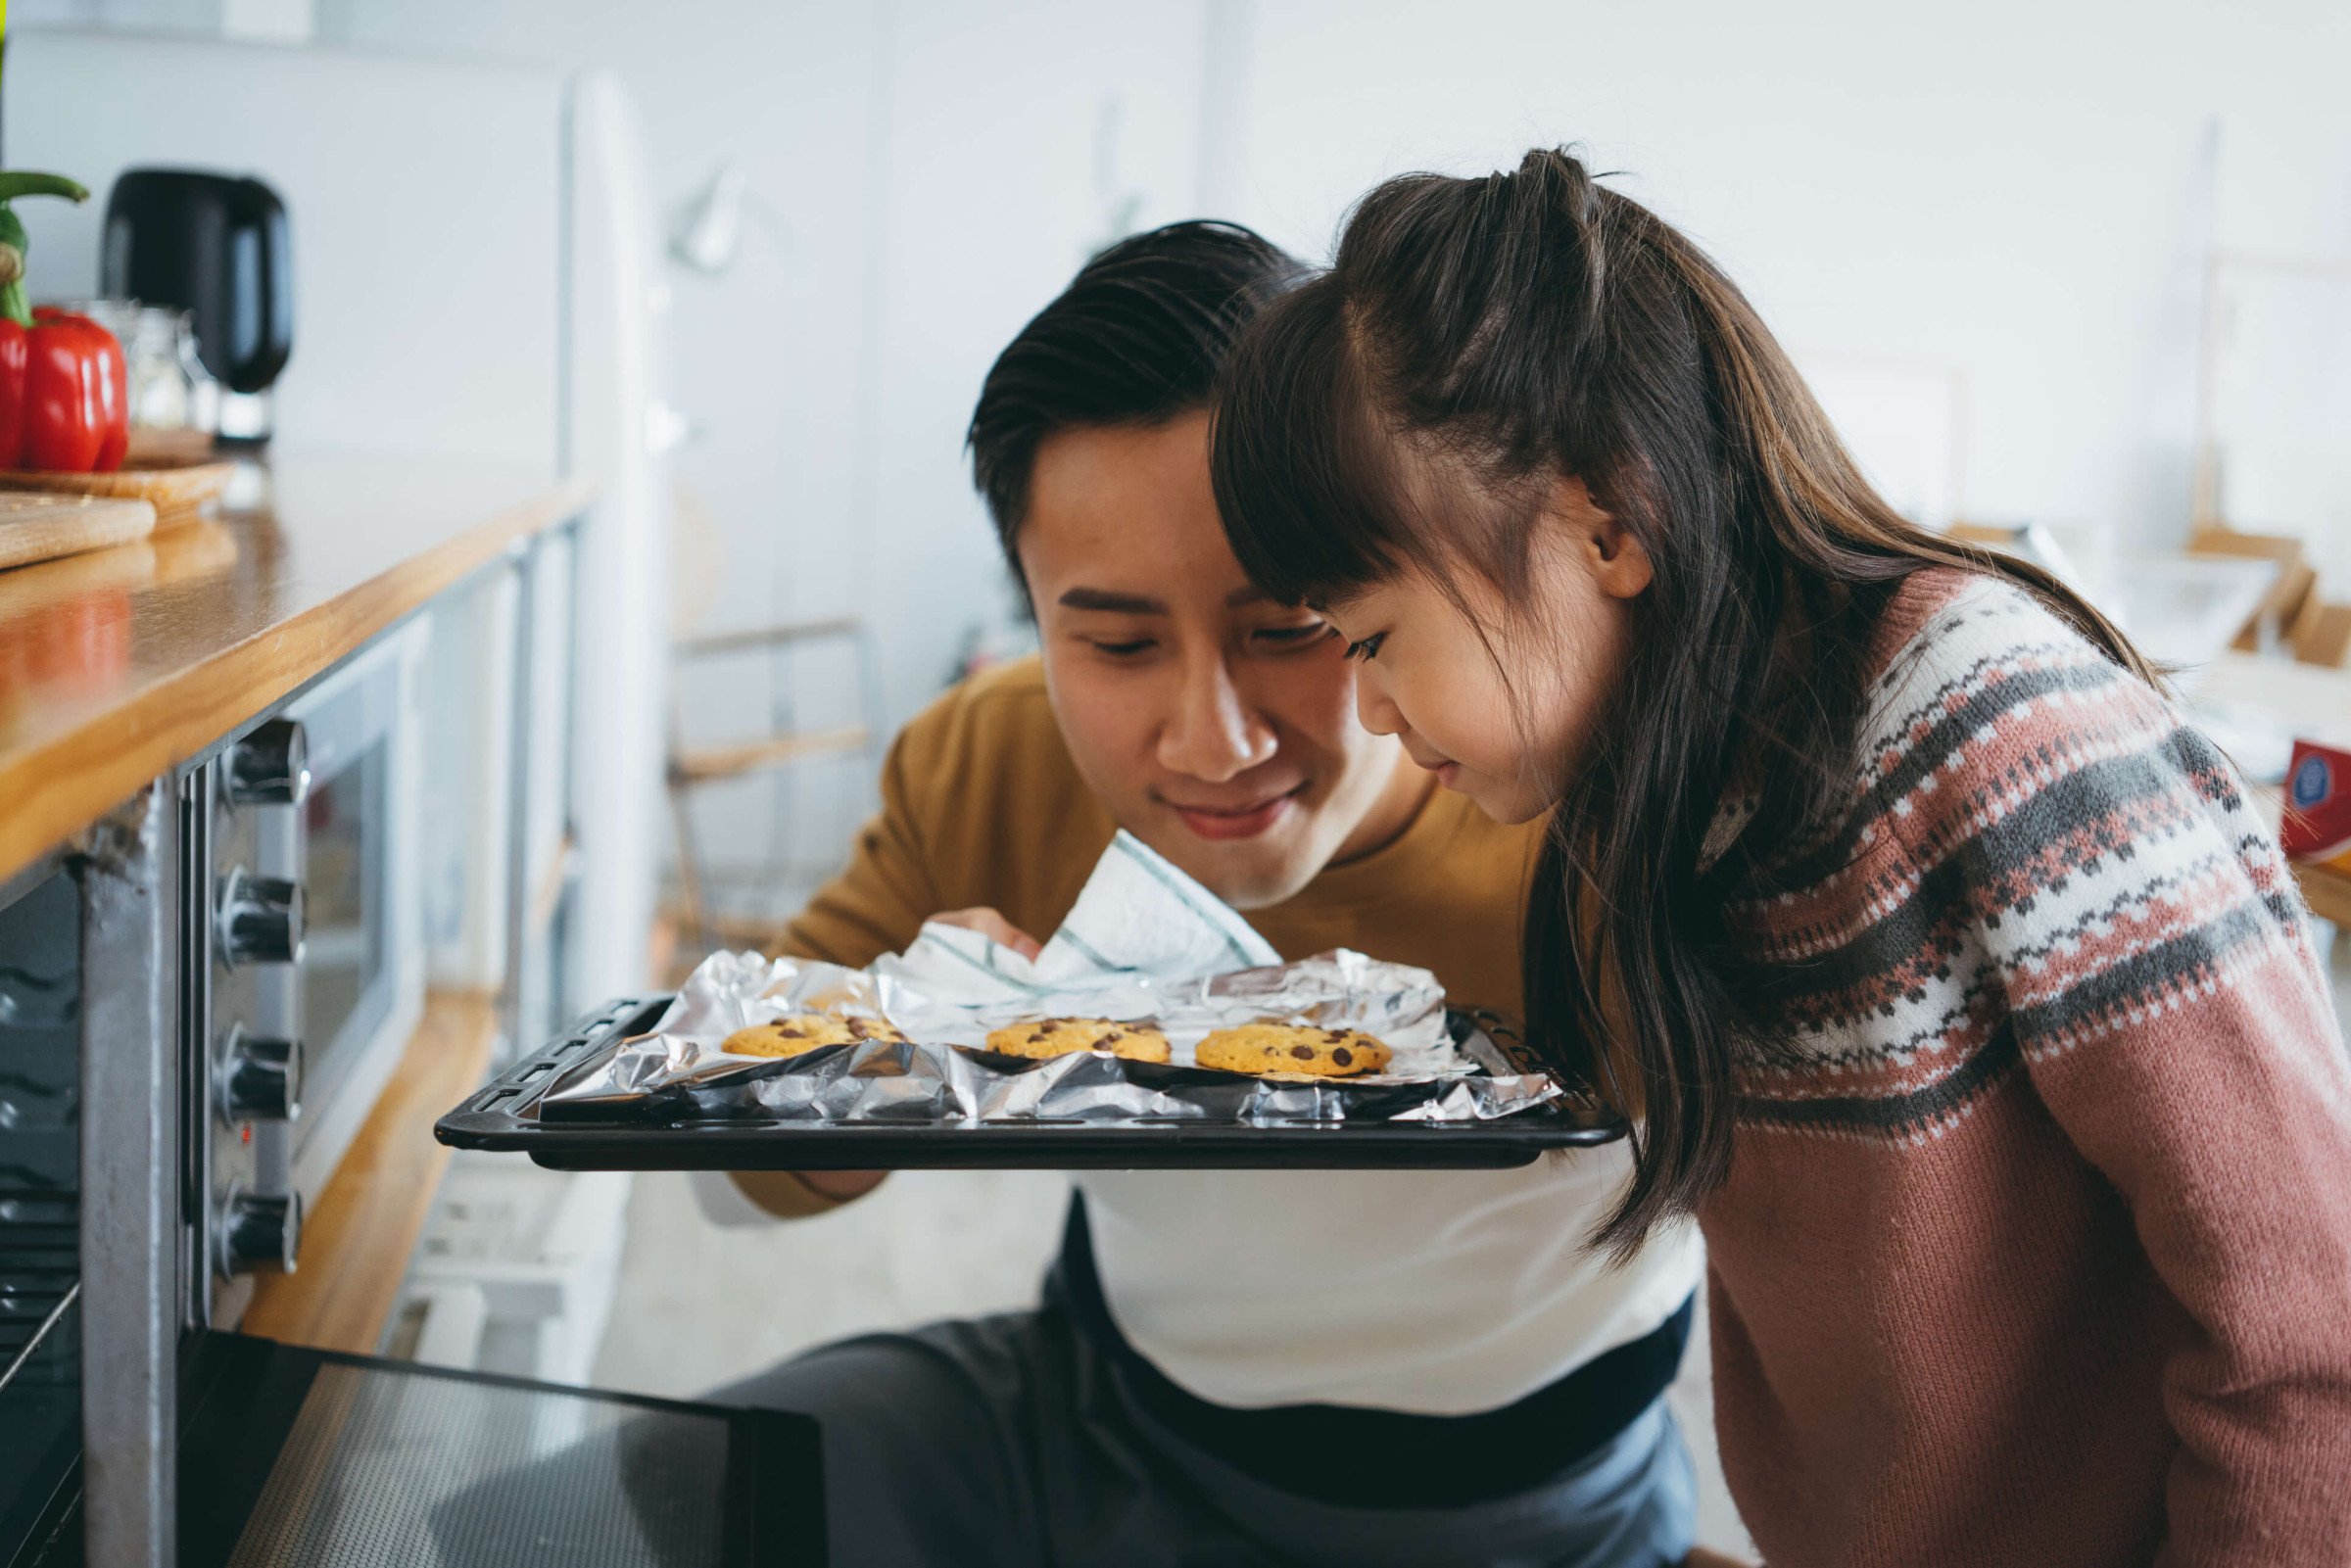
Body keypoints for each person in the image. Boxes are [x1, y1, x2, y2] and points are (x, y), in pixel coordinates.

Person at [1206, 148, 2351, 1567]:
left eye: (1373, 637)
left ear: (1604, 525)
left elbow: (2310, 1327)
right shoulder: (1651, 798)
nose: (1369, 707)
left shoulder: (1994, 732)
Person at [686, 221, 1706, 1567]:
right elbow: (714, 1171)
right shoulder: (990, 763)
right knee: (602, 1511)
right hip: (1098, 1421)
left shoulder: (1597, 802)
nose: (1212, 741)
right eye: (1114, 641)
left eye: (1292, 627)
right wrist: (889, 1073)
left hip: (1539, 1503)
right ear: (1031, 617)